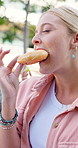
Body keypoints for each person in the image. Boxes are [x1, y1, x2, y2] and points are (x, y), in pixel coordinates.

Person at [0, 5, 78, 148]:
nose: (35, 39)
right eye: (35, 33)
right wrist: (8, 101)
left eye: (46, 30)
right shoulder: (26, 89)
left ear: (75, 39)